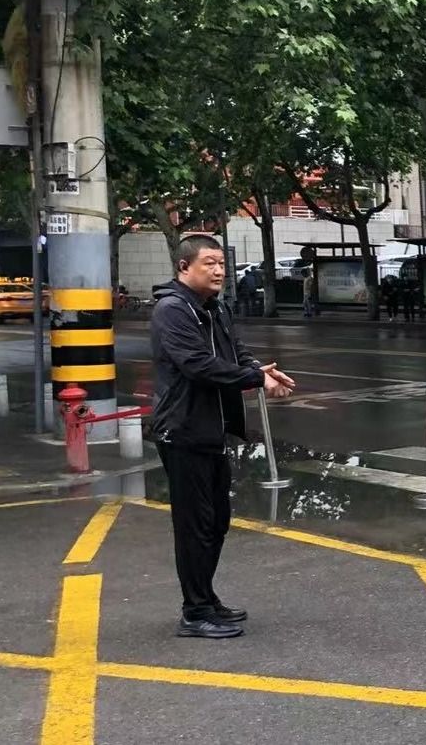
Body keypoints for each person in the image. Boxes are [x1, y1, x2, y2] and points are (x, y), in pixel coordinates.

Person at [150, 235, 297, 639]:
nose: (219, 271)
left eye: (221, 264)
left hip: (212, 430)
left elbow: (236, 354)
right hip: (183, 431)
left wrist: (260, 370)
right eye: (209, 263)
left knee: (216, 522)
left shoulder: (215, 308)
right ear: (184, 267)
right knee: (195, 526)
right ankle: (194, 612)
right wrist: (255, 378)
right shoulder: (172, 310)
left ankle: (206, 598)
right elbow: (197, 365)